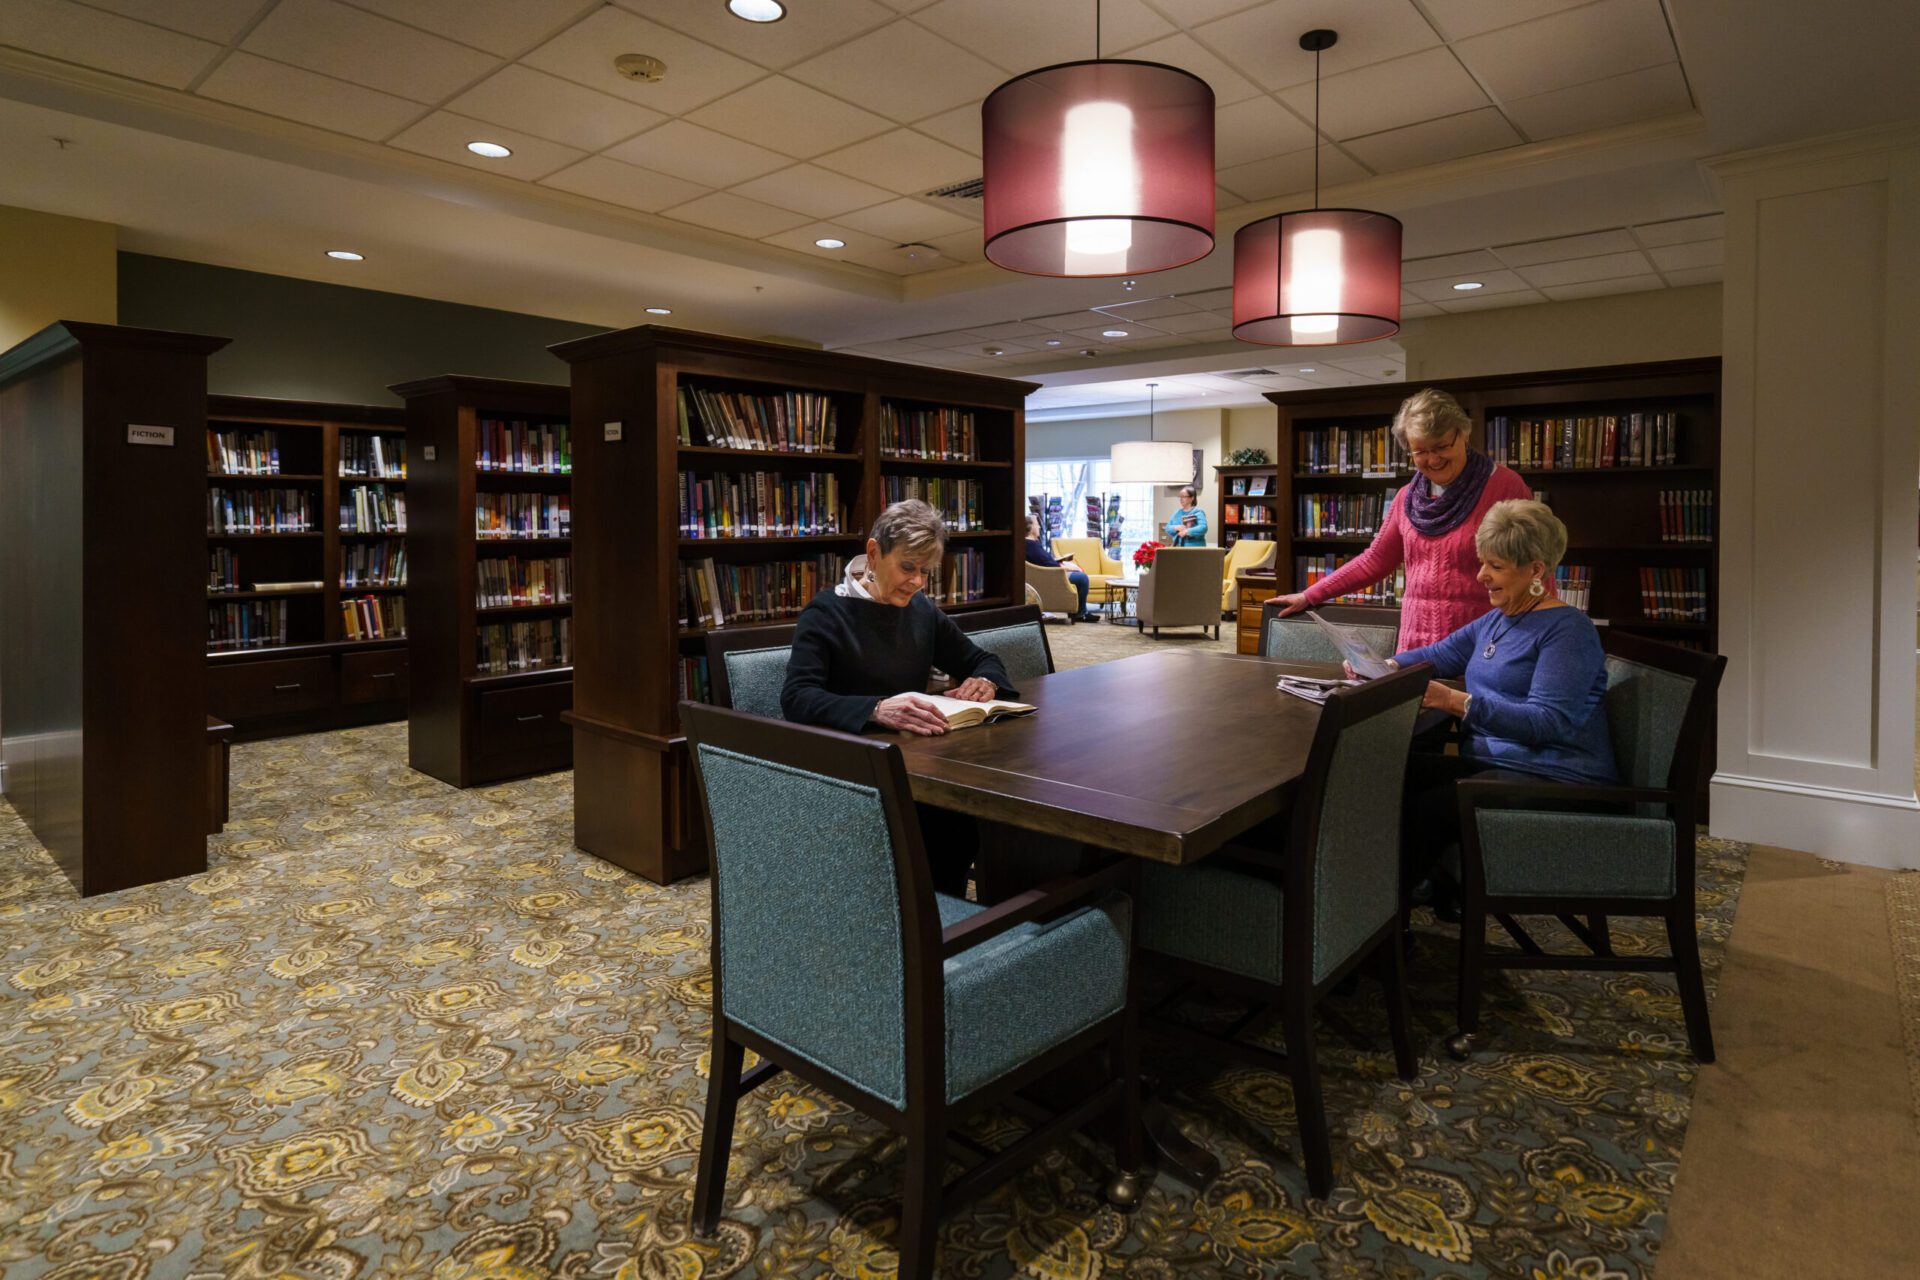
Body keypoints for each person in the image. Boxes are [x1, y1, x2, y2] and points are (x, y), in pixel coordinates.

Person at [1363, 500, 1617, 918]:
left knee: (1428, 809)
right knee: (1389, 773)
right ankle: (1389, 907)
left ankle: (1379, 923)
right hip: (1504, 766)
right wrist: (1383, 666)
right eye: (1482, 563)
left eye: (1495, 567)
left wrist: (1456, 702)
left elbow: (1547, 722)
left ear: (1536, 570)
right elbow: (1439, 654)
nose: (1481, 576)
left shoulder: (1569, 631)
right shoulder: (1498, 618)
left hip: (1558, 777)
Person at [783, 500, 1017, 894]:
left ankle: (949, 925)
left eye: (926, 571)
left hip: (914, 762)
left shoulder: (920, 610)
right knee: (949, 825)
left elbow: (981, 659)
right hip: (852, 766)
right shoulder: (827, 612)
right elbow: (797, 698)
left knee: (968, 820)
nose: (918, 582)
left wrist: (986, 681)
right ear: (874, 554)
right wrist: (876, 708)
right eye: (908, 567)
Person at [1273, 389, 1535, 650]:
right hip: (1415, 647)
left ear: (1463, 434)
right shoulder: (1406, 499)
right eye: (1420, 451)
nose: (1433, 460)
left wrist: (1540, 640)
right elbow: (1374, 560)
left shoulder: (1505, 488)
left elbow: (1535, 566)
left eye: (1442, 447)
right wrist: (1310, 595)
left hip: (1483, 646)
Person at [1024, 515, 1098, 621]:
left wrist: (1060, 562)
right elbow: (1049, 565)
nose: (1039, 527)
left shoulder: (1031, 544)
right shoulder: (1031, 545)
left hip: (1050, 572)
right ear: (1030, 527)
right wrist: (1068, 567)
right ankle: (1080, 614)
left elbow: (1044, 561)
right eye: (1037, 524)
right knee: (1082, 578)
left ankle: (1079, 613)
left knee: (1079, 575)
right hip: (1052, 575)